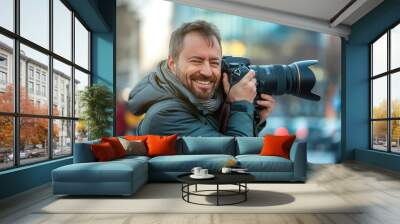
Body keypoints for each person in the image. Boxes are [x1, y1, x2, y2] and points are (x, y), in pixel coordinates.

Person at [127, 20, 275, 137]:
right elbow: (233, 159)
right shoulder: (164, 116)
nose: (207, 71)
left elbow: (222, 142)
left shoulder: (203, 104)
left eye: (214, 62)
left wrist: (253, 118)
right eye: (196, 61)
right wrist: (241, 105)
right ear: (172, 64)